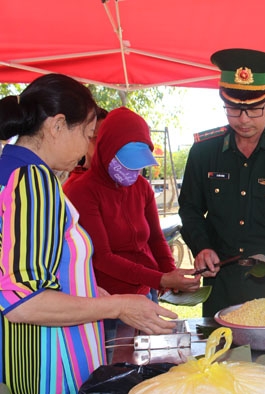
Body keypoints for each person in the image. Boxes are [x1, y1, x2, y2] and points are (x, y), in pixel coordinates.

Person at [0, 74, 178, 394]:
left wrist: (94, 291)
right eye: (87, 135)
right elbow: (23, 301)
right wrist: (119, 306)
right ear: (56, 126)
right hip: (47, 365)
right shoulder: (32, 181)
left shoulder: (10, 172)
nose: (86, 151)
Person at [178, 48, 265, 317]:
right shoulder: (204, 151)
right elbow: (190, 209)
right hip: (222, 284)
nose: (243, 120)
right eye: (233, 109)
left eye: (254, 109)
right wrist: (202, 246)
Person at [64, 107, 201, 353]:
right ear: (105, 149)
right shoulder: (81, 191)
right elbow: (103, 257)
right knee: (114, 365)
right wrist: (159, 278)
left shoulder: (142, 188)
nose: (133, 172)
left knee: (148, 362)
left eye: (139, 165)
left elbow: (157, 240)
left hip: (146, 295)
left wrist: (171, 276)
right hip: (106, 303)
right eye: (126, 163)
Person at [62, 106, 108, 188]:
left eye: (107, 137)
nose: (103, 143)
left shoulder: (121, 180)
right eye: (95, 137)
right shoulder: (73, 184)